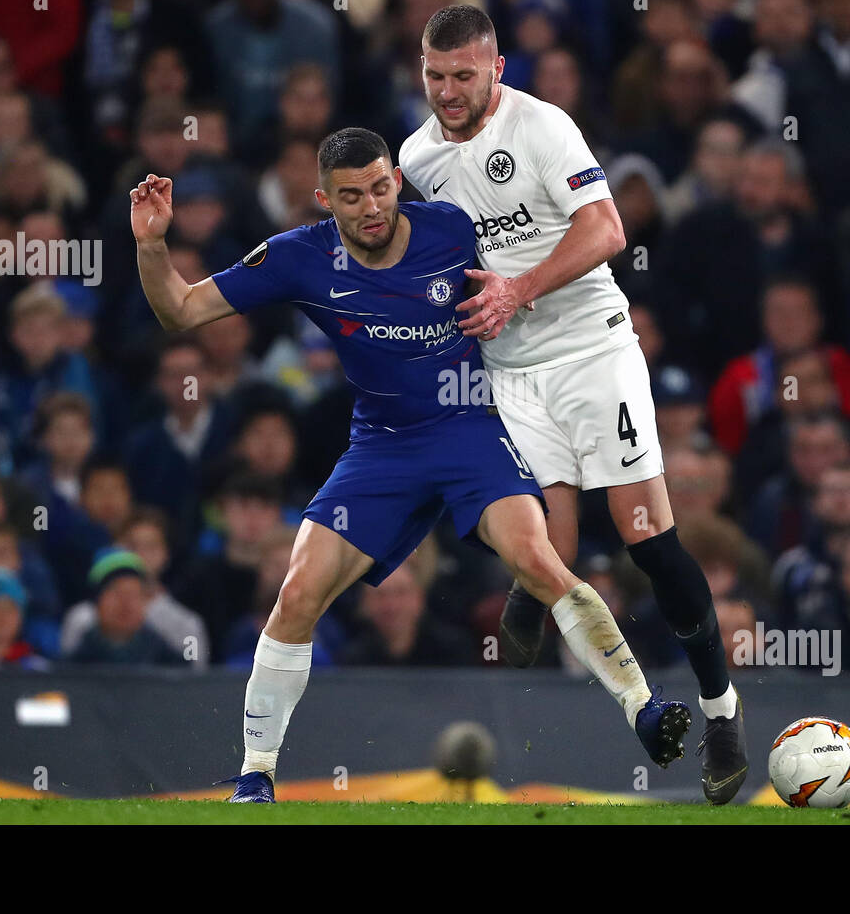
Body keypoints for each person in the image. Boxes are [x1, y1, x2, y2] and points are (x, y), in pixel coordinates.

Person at [130, 126, 693, 804]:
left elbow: (538, 266)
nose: (370, 207)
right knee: (298, 591)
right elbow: (181, 310)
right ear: (323, 201)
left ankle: (644, 706)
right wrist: (152, 243)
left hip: (472, 431)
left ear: (397, 180)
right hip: (382, 448)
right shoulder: (298, 257)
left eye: (379, 188)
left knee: (537, 562)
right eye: (351, 197)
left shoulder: (453, 230)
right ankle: (255, 775)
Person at [398, 5, 746, 803]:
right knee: (540, 543)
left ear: (497, 70)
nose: (448, 92)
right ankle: (547, 601)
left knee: (646, 539)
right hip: (511, 369)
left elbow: (606, 230)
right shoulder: (418, 155)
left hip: (594, 350)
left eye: (464, 76)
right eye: (435, 76)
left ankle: (722, 710)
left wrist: (518, 288)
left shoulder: (544, 127)